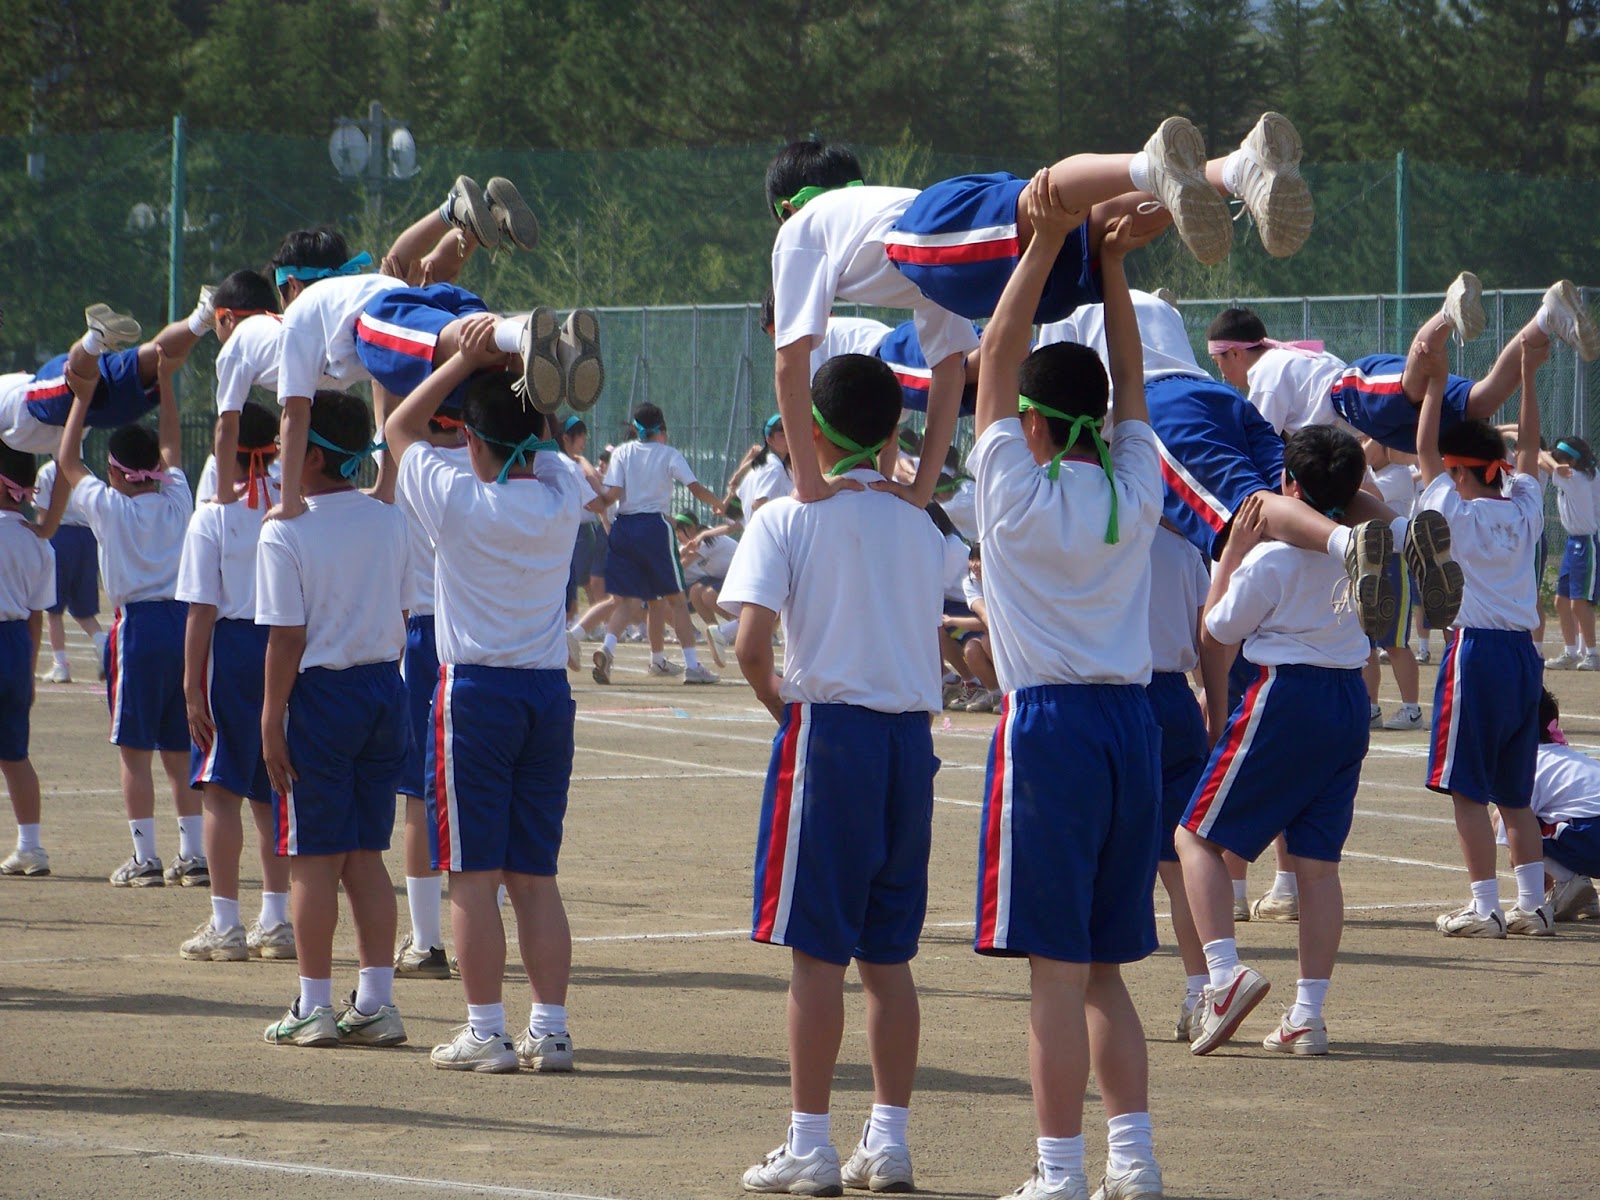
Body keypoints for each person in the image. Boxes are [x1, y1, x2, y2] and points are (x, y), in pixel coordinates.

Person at [767, 113, 1313, 511]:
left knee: (1044, 200)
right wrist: (918, 490)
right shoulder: (899, 261)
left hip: (929, 229)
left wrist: (808, 481)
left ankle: (1149, 165)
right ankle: (1239, 171)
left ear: (787, 208)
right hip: (956, 267)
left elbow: (792, 362)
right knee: (1100, 233)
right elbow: (949, 368)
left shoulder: (800, 230)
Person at [969, 175, 1167, 1200]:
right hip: (1128, 728)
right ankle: (1131, 1164)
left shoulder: (1009, 491)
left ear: (1032, 424)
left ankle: (1055, 1172)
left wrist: (1042, 244)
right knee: (1104, 968)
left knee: (1053, 971)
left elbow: (994, 357)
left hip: (1046, 730)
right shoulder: (1131, 489)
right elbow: (1129, 383)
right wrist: (1117, 270)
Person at [720, 352, 943, 1196]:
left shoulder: (786, 517)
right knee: (888, 957)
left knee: (816, 955)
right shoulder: (923, 525)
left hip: (830, 735)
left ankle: (810, 1141)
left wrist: (791, 719)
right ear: (893, 433)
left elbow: (749, 646)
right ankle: (889, 1139)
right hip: (906, 747)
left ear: (811, 431)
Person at [383, 315, 583, 1074]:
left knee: (470, 870)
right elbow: (551, 440)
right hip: (545, 697)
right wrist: (538, 379)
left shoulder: (456, 498)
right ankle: (552, 1029)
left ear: (470, 439)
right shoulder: (562, 492)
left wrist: (463, 357)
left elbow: (399, 425)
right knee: (536, 875)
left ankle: (487, 1028)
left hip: (473, 696)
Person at [1177, 426, 1373, 1058]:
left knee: (1195, 836)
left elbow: (1214, 630)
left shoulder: (1269, 559)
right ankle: (1307, 1015)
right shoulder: (1358, 557)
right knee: (1316, 866)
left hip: (1286, 697)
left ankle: (1225, 973)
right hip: (1348, 701)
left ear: (1289, 486)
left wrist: (1232, 552)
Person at [256, 392, 412, 1047]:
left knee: (312, 860)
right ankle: (375, 1002)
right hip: (384, 690)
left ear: (311, 455)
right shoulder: (388, 519)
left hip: (321, 696)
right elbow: (403, 614)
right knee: (365, 857)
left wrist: (269, 719)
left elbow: (286, 639)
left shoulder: (285, 531)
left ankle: (314, 1006)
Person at [268, 211, 601, 517]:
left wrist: (289, 501)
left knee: (463, 344)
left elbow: (295, 414)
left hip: (385, 311)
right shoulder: (351, 298)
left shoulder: (299, 316)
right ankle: (546, 340)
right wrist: (386, 486)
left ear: (292, 286)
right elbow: (391, 384)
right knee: (488, 351)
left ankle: (524, 332)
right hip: (431, 298)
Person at [1416, 333, 1554, 938]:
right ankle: (1534, 904)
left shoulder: (1456, 510)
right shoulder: (1523, 506)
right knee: (1514, 791)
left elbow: (1425, 451)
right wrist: (1526, 375)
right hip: (1525, 657)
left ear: (1459, 471)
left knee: (1467, 792)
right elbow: (1527, 452)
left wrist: (1433, 381)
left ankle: (1484, 904)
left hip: (1475, 651)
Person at [54, 346, 202, 887]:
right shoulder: (176, 496)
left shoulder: (109, 505)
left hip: (137, 628)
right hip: (185, 626)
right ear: (156, 470)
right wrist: (164, 380)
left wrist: (83, 397)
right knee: (180, 747)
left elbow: (69, 461)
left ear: (115, 472)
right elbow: (171, 444)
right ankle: (195, 854)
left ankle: (145, 857)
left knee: (134, 752)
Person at [1208, 276, 1600, 454]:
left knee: (1413, 385)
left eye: (1218, 361)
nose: (1221, 372)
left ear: (1236, 353)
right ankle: (1545, 319)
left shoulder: (1265, 373)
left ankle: (1446, 314)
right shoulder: (1288, 357)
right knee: (1482, 402)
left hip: (1352, 394)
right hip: (1363, 414)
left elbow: (1258, 444)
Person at [175, 401, 295, 961]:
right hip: (284, 648)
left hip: (231, 651)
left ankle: (226, 923)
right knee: (272, 786)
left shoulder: (213, 517)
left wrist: (192, 687)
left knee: (220, 790)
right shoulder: (292, 509)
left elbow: (201, 611)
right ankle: (276, 919)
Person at [390, 394, 471, 979]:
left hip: (425, 631)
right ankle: (479, 931)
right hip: (490, 638)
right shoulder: (506, 470)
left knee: (419, 795)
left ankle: (426, 941)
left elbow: (390, 419)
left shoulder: (410, 467)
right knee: (481, 788)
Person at [19, 295, 217, 534]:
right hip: (60, 408)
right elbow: (69, 461)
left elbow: (170, 444)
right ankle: (201, 318)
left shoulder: (112, 508)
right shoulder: (172, 507)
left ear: (114, 473)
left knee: (93, 373)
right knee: (137, 364)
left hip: (29, 403)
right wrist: (83, 398)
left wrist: (164, 377)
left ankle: (95, 339)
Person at [591, 404, 725, 685]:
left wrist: (594, 502)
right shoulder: (669, 454)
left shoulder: (622, 452)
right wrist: (718, 504)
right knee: (676, 600)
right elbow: (695, 488)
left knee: (627, 601)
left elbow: (613, 493)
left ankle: (607, 649)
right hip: (653, 527)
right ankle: (692, 666)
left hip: (623, 528)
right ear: (661, 430)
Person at [1144, 519, 1212, 1042]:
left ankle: (1080, 986)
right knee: (1179, 862)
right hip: (1176, 700)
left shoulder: (1092, 529)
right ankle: (1201, 989)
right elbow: (1206, 637)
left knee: (1104, 858)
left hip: (1114, 695)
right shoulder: (1183, 548)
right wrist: (1218, 705)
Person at [0, 441, 55, 877]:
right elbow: (37, 614)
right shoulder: (38, 542)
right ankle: (30, 846)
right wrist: (32, 671)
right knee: (15, 754)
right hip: (17, 645)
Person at [1524, 689, 1600, 921]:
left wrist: (1543, 870)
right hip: (1591, 834)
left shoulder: (1527, 763)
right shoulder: (1573, 758)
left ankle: (1568, 882)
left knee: (1509, 819)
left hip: (1594, 841)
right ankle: (1588, 899)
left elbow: (1515, 828)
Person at [32, 459, 107, 684]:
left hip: (60, 536)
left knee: (53, 609)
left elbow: (43, 515)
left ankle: (60, 665)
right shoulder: (86, 470)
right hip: (87, 537)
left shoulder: (47, 471)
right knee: (83, 608)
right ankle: (103, 644)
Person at [1540, 436, 1600, 671]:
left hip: (1586, 543)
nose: (1558, 463)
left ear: (1572, 462)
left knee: (1578, 603)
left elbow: (1538, 456)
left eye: (1563, 459)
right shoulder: (1576, 474)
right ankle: (1571, 652)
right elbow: (1541, 457)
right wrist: (1555, 463)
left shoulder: (1575, 477)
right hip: (1572, 542)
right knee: (1561, 602)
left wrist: (1553, 464)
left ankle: (1592, 654)